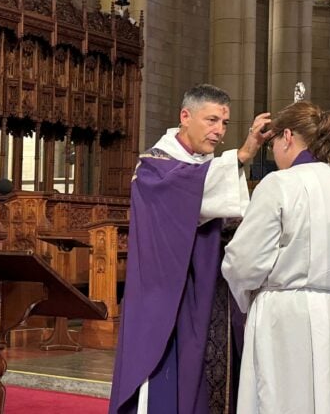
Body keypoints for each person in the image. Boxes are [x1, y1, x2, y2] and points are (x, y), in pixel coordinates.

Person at [109, 83, 272, 414]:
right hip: (169, 292)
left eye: (224, 123)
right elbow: (185, 189)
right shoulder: (155, 165)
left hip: (211, 286)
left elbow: (222, 206)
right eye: (211, 120)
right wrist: (243, 154)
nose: (218, 131)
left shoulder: (205, 165)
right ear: (185, 116)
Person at [221, 101, 330, 413]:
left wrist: (247, 297)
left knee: (287, 401)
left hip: (290, 318)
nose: (273, 153)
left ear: (287, 136)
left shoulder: (281, 184)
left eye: (272, 145)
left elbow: (245, 262)